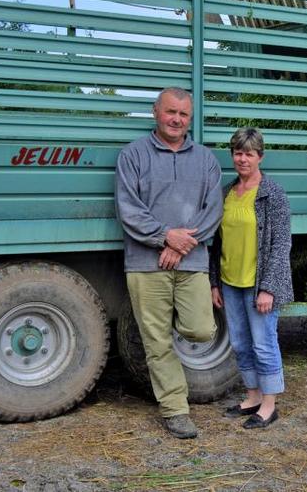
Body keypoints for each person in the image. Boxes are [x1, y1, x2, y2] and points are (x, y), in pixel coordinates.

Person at [115, 87, 223, 439]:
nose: (177, 120)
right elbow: (129, 211)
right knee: (156, 343)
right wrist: (165, 236)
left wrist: (178, 244)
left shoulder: (205, 159)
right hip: (146, 265)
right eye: (170, 112)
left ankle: (169, 321)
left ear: (190, 118)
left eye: (184, 114)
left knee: (202, 329)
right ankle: (176, 410)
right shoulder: (133, 155)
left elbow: (214, 210)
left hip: (190, 263)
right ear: (155, 112)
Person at [210, 127, 293, 429]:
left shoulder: (273, 194)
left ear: (260, 156)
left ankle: (269, 405)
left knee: (263, 343)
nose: (242, 159)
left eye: (249, 153)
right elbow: (216, 243)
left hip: (259, 286)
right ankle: (253, 396)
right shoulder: (227, 193)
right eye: (238, 152)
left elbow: (282, 243)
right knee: (241, 343)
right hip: (231, 282)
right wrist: (214, 282)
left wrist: (269, 288)